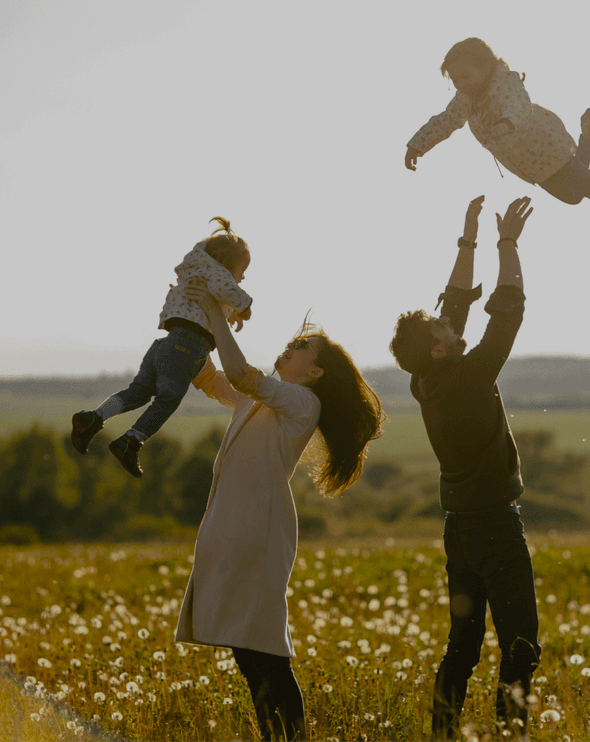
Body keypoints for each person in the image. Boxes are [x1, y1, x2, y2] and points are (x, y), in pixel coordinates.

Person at [174, 281, 384, 741]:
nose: (289, 349)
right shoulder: (265, 399)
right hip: (237, 529)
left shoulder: (301, 403)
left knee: (263, 649)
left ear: (314, 373)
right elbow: (212, 377)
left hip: (258, 533)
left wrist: (213, 310)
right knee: (248, 651)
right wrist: (187, 319)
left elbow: (238, 372)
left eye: (300, 348)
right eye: (291, 343)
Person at [389, 194, 540, 740]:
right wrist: (508, 245)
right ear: (438, 348)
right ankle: (510, 735)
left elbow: (456, 303)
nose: (454, 327)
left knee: (463, 647)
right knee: (520, 646)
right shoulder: (472, 375)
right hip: (497, 529)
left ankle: (443, 735)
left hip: (459, 531)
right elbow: (509, 306)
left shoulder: (425, 380)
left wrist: (469, 235)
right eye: (444, 331)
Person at [404, 37, 590, 218]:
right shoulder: (465, 100)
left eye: (466, 76)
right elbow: (445, 121)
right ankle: (587, 134)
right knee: (574, 198)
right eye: (455, 80)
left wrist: (507, 123)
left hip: (548, 149)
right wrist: (418, 144)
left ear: (485, 67)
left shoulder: (504, 84)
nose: (461, 84)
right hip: (533, 168)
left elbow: (518, 106)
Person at [70, 217, 253, 477]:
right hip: (186, 348)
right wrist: (243, 312)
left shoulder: (193, 270)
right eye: (241, 273)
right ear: (225, 265)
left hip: (164, 345)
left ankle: (94, 417)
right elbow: (241, 301)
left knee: (138, 392)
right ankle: (131, 441)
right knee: (167, 400)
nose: (242, 278)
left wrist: (227, 313)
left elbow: (210, 303)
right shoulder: (219, 275)